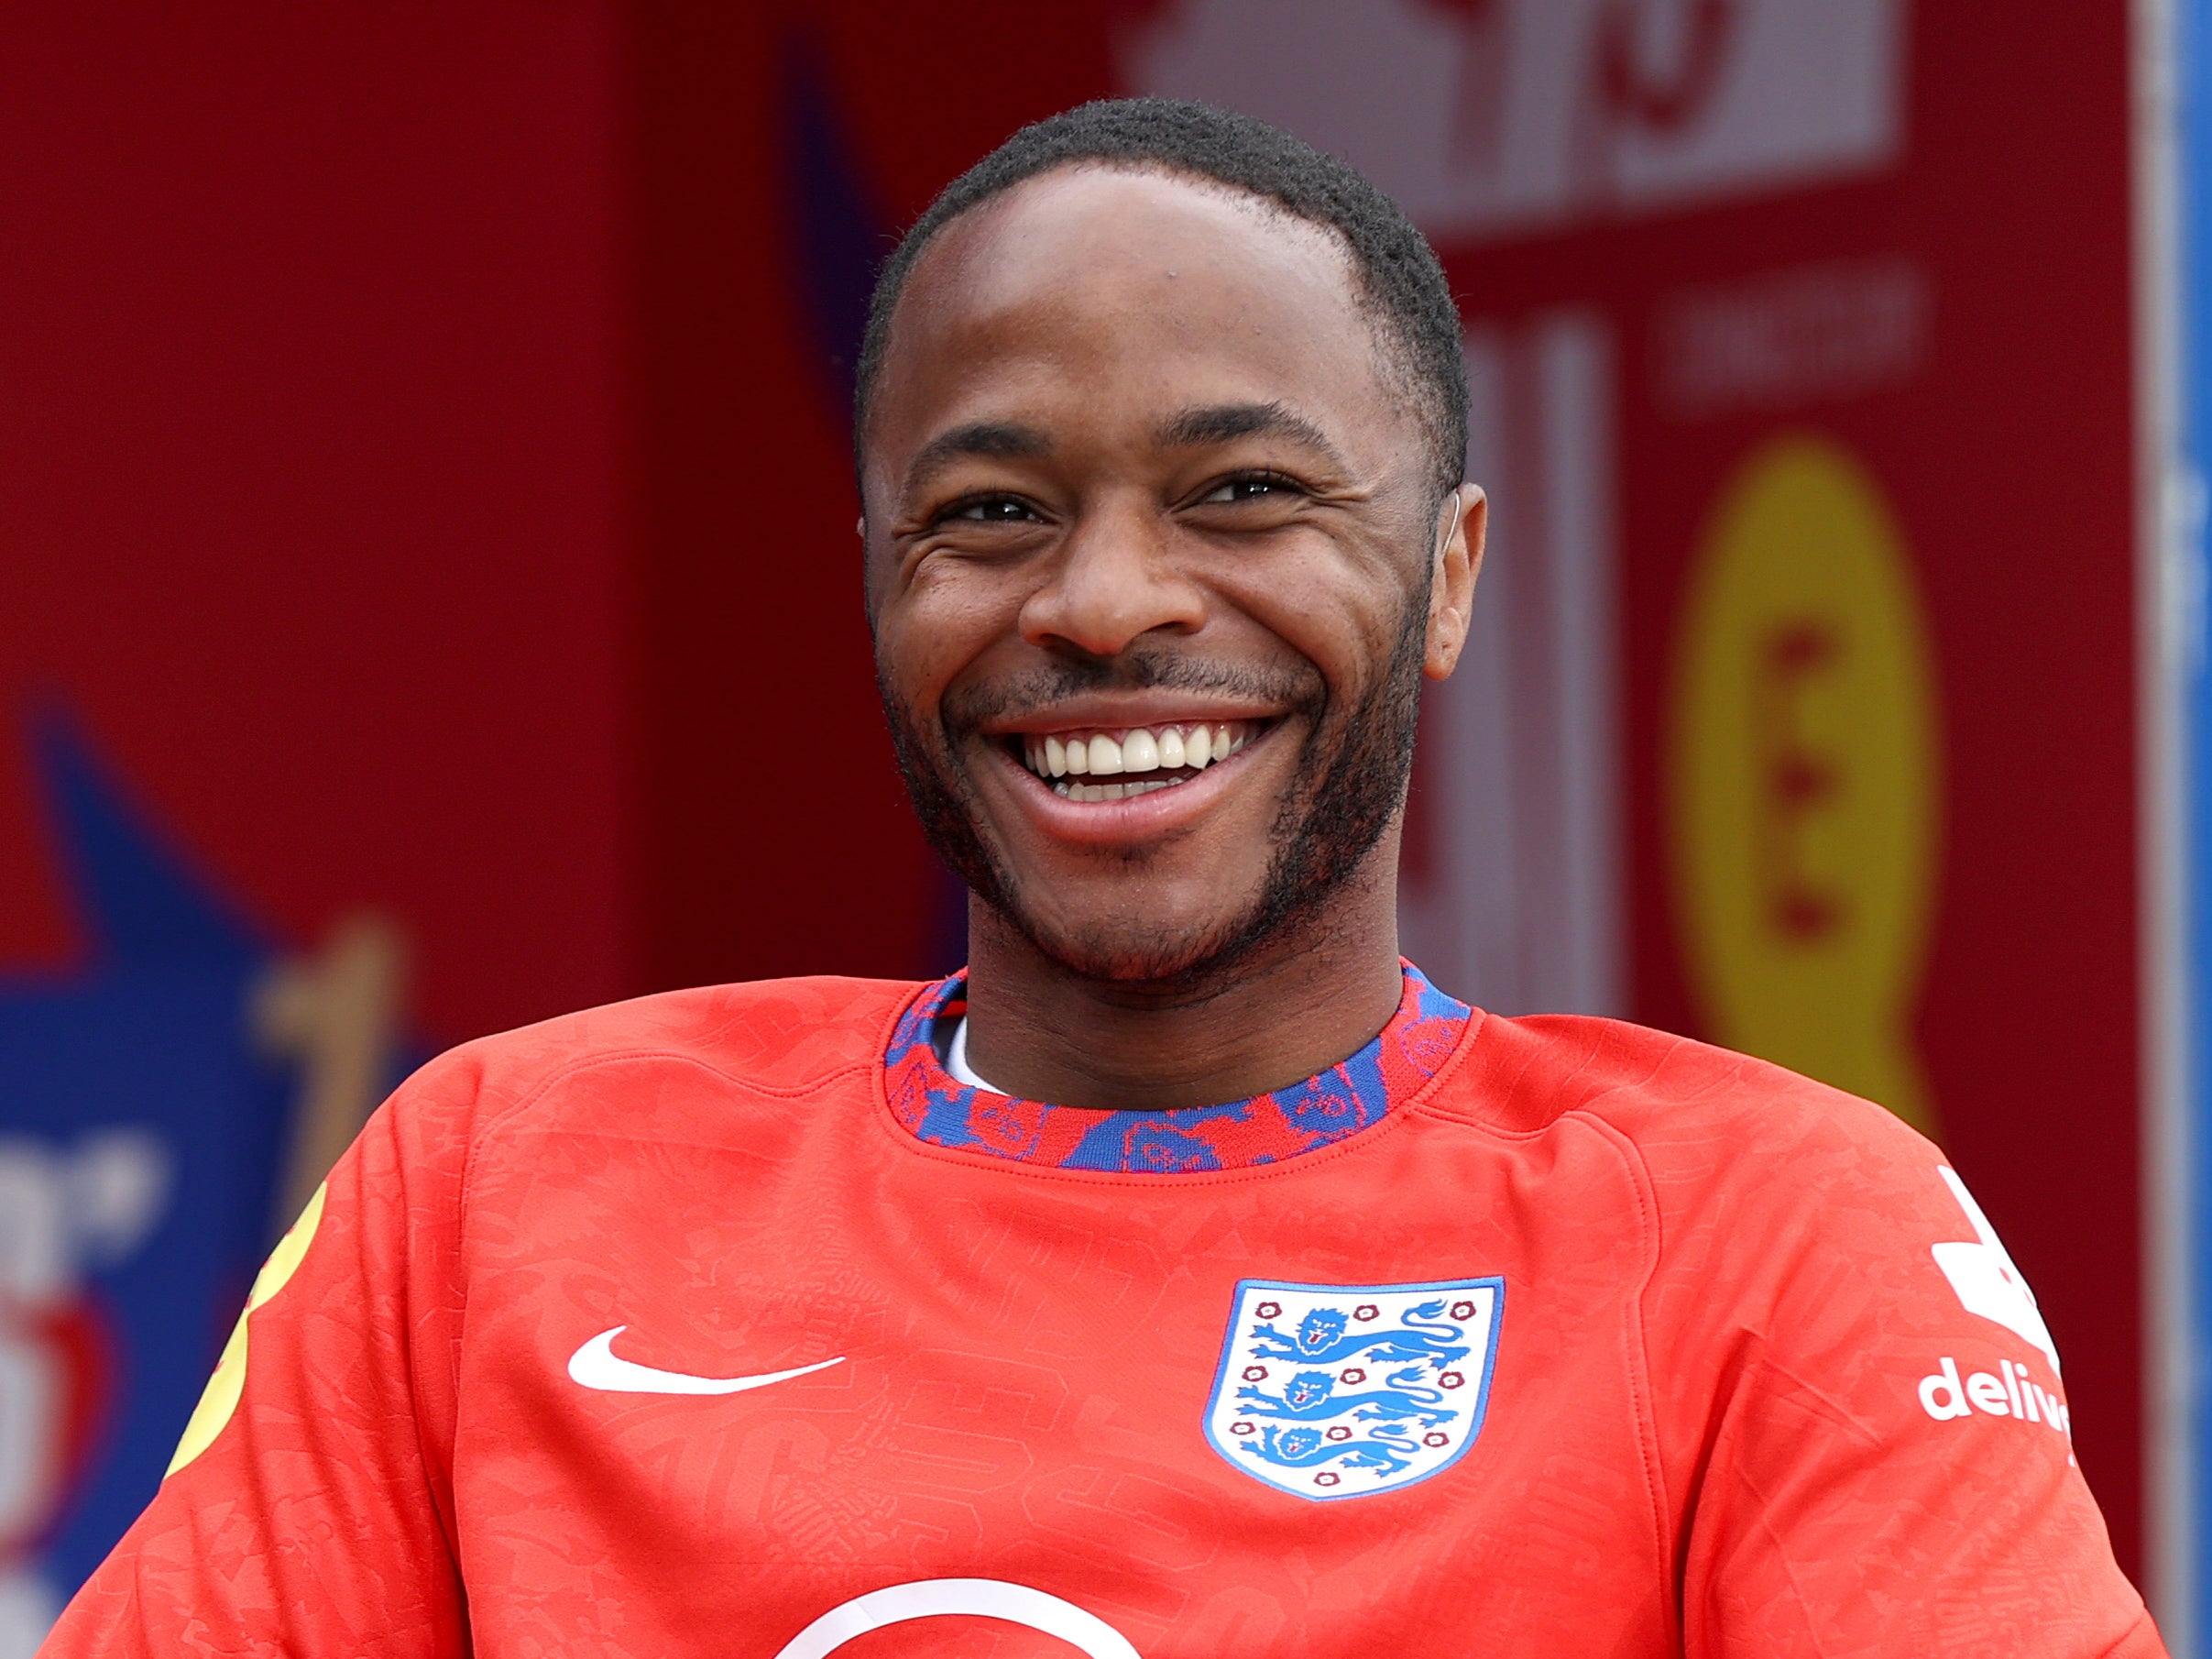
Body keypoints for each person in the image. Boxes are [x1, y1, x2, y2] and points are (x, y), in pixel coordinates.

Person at [48, 98, 2161, 1658]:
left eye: (1244, 491)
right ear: (877, 582)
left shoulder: (1768, 1240)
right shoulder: (498, 1183)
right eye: (988, 512)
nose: (1109, 601)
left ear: (1443, 578)